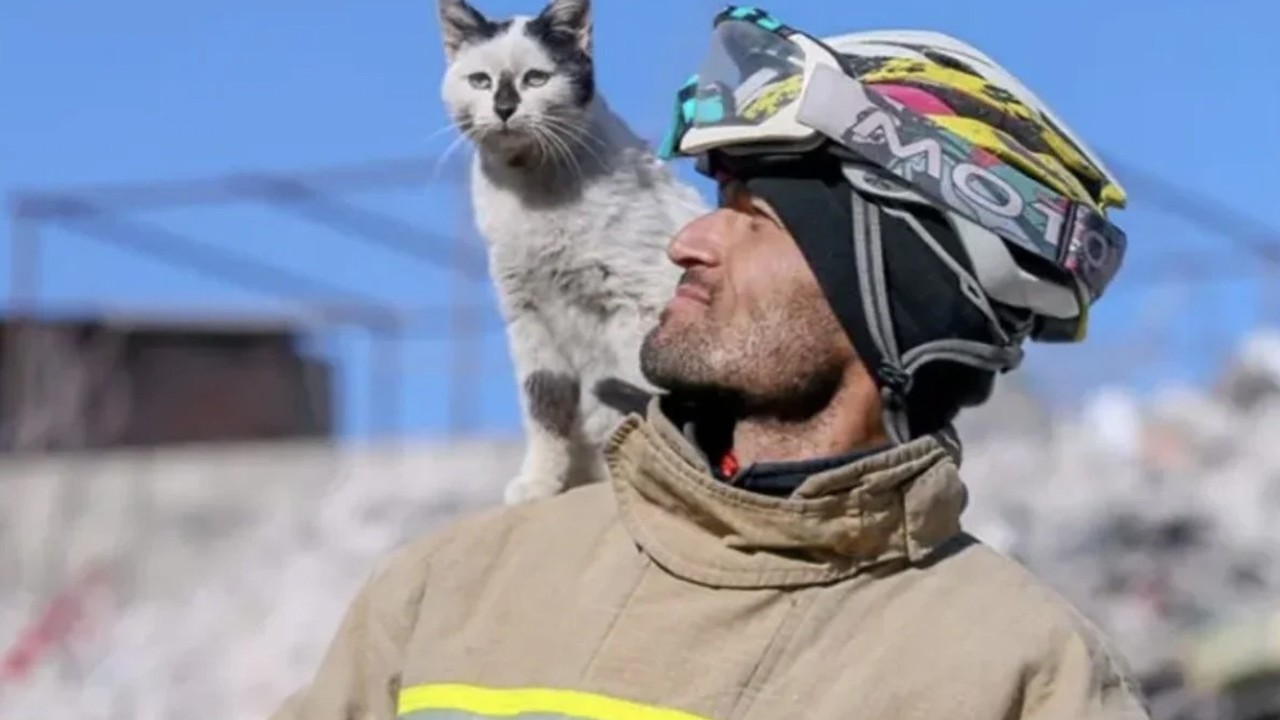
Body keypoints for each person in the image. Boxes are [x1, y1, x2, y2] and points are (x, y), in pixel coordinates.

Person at [270, 7, 1150, 720]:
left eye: (756, 216)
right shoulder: (452, 589)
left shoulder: (1020, 678)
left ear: (895, 294)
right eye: (715, 197)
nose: (689, 238)